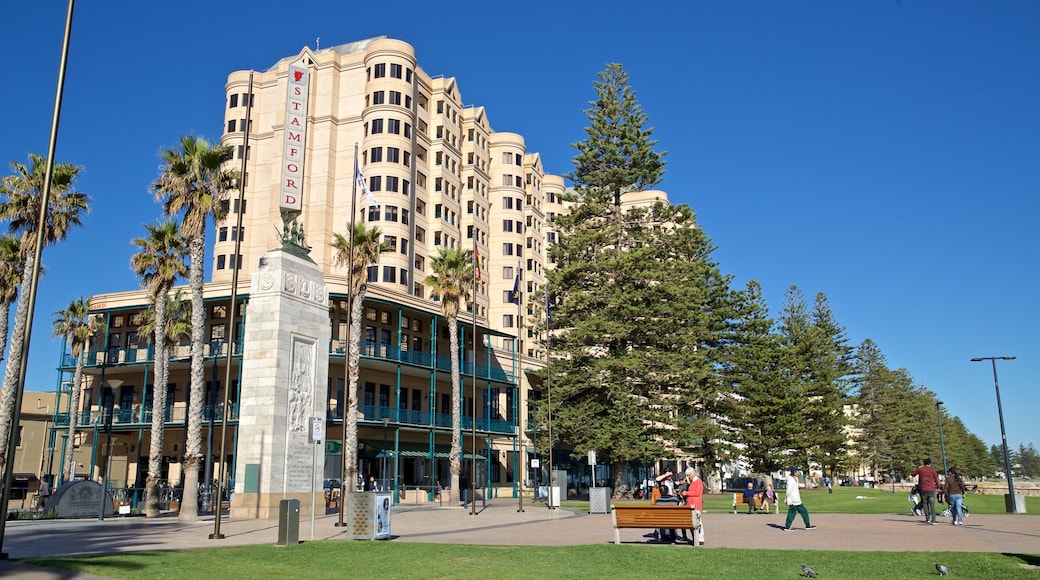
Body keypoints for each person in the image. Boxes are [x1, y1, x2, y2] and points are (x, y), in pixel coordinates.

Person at [910, 458, 940, 525]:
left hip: (923, 488)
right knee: (932, 503)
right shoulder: (932, 470)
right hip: (931, 488)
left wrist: (918, 469)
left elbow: (913, 474)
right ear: (930, 464)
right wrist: (938, 487)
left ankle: (927, 519)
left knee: (925, 503)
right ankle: (934, 520)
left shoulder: (920, 469)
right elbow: (936, 479)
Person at [683, 466, 705, 546]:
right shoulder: (691, 483)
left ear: (693, 474)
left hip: (696, 505)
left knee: (698, 522)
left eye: (689, 475)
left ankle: (700, 538)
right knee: (692, 522)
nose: (688, 477)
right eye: (687, 475)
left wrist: (687, 493)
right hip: (690, 504)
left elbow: (697, 493)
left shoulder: (698, 481)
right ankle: (695, 537)